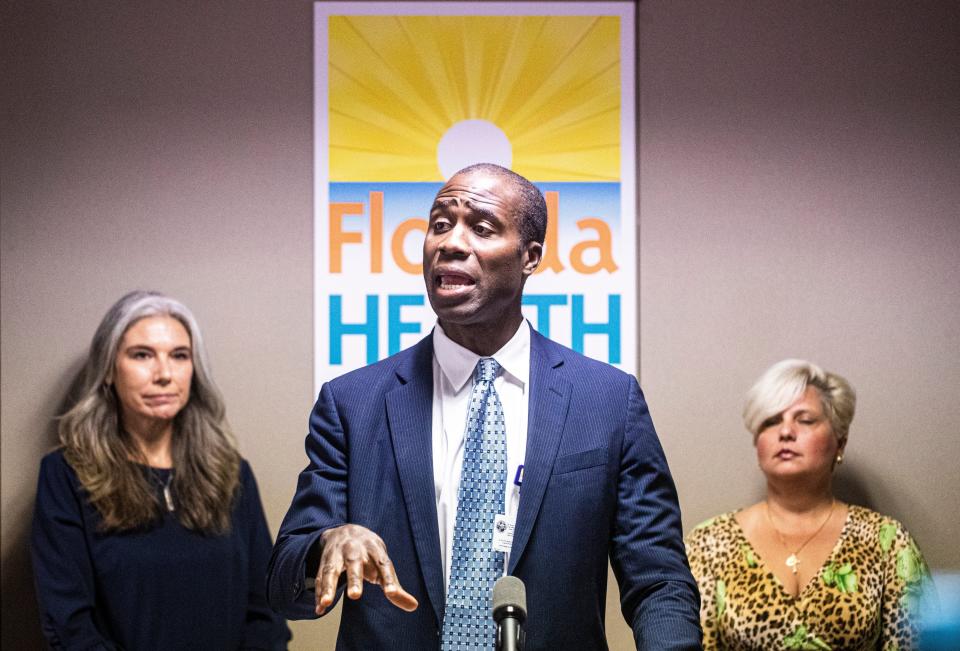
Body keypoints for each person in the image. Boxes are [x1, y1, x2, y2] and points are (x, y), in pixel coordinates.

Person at [267, 164, 701, 650]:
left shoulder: (607, 401)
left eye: (482, 227)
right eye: (439, 224)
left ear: (530, 257)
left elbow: (659, 580)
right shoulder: (352, 403)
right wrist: (325, 546)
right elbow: (283, 583)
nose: (450, 242)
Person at [31, 291, 290, 650]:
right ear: (108, 369)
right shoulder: (64, 475)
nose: (165, 374)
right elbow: (69, 624)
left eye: (179, 356)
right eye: (142, 355)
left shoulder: (231, 473)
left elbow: (267, 613)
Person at [686, 359, 933, 650]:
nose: (786, 432)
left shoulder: (887, 542)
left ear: (839, 443)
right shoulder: (709, 544)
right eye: (770, 421)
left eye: (804, 420)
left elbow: (918, 644)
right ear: (757, 442)